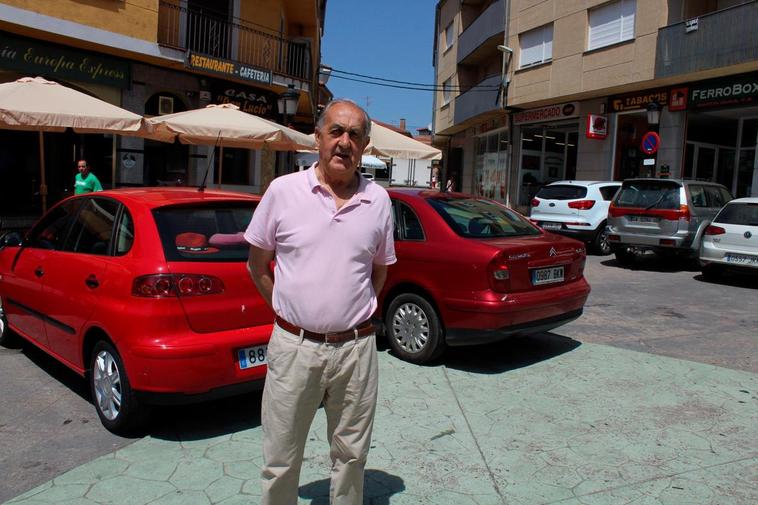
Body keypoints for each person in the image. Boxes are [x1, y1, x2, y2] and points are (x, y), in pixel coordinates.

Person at [245, 98, 396, 505]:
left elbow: (379, 271)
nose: (344, 143)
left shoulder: (379, 201)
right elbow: (257, 264)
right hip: (294, 348)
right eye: (336, 132)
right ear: (318, 138)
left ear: (365, 146)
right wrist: (287, 312)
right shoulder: (283, 191)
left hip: (356, 351)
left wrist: (351, 316)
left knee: (351, 456)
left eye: (354, 135)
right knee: (280, 455)